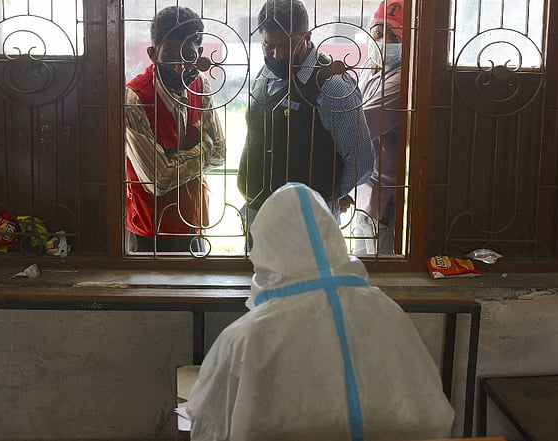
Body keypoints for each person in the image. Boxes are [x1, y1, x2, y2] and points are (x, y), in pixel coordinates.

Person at [186, 182, 455, 441]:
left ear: (265, 249)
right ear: (333, 238)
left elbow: (209, 423)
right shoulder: (388, 313)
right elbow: (433, 415)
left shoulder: (247, 336)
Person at [237, 0, 375, 248]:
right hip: (258, 218)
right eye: (269, 46)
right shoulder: (266, 73)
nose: (278, 55)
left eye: (288, 45)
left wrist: (328, 197)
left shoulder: (330, 87)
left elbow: (361, 162)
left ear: (307, 37)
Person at [124, 6, 226, 253]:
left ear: (199, 53)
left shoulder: (200, 85)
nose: (179, 66)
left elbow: (221, 154)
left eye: (188, 55)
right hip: (150, 229)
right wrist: (205, 148)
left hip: (194, 222)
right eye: (169, 54)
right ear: (152, 54)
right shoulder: (135, 98)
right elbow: (158, 181)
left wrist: (173, 162)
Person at [351, 0, 404, 255]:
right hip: (363, 196)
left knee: (380, 279)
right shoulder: (371, 67)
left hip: (385, 202)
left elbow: (360, 125)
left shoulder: (403, 79)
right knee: (360, 275)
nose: (384, 41)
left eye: (395, 37)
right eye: (379, 32)